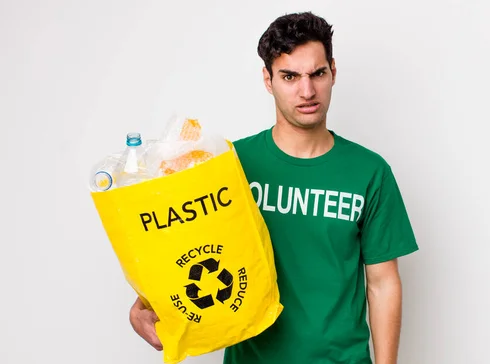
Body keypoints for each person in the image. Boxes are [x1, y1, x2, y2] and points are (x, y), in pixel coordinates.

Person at [129, 11, 419, 364]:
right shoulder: (230, 165)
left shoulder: (370, 172)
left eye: (317, 74)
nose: (307, 90)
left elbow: (383, 283)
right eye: (290, 76)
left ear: (333, 72)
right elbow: (186, 245)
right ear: (268, 80)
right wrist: (143, 305)